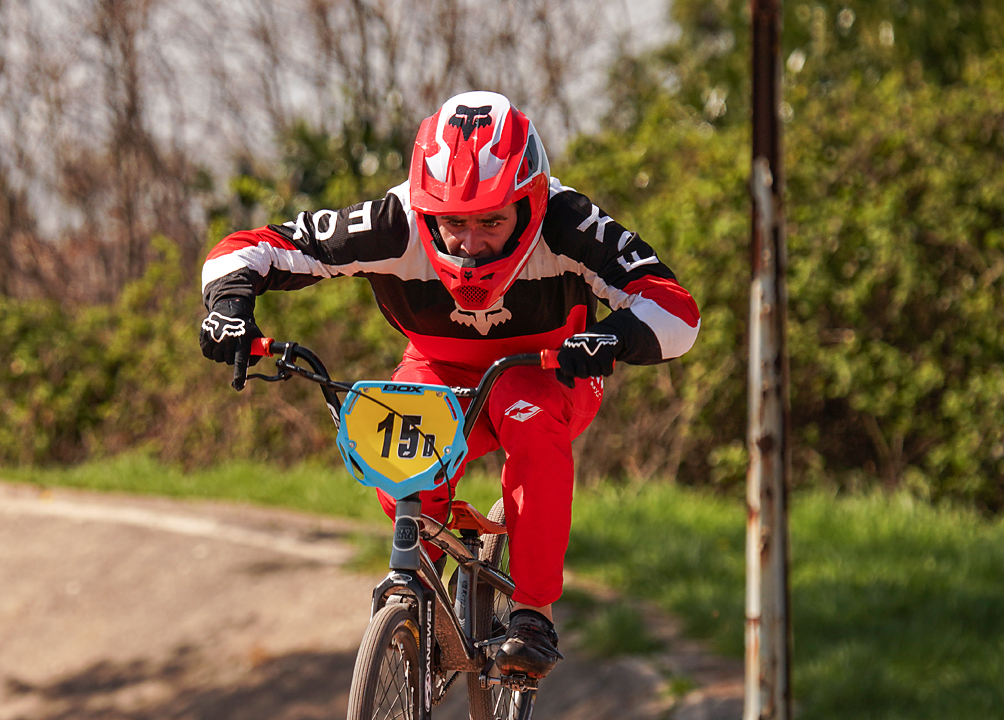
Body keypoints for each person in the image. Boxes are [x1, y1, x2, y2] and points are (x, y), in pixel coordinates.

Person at [198, 90, 700, 681]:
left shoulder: (568, 222)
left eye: (492, 220)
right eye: (454, 222)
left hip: (547, 373)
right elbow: (247, 249)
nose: (470, 242)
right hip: (439, 368)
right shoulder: (393, 222)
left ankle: (533, 613)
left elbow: (676, 309)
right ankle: (422, 589)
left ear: (530, 200)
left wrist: (610, 338)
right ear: (425, 205)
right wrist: (229, 307)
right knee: (393, 441)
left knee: (527, 413)